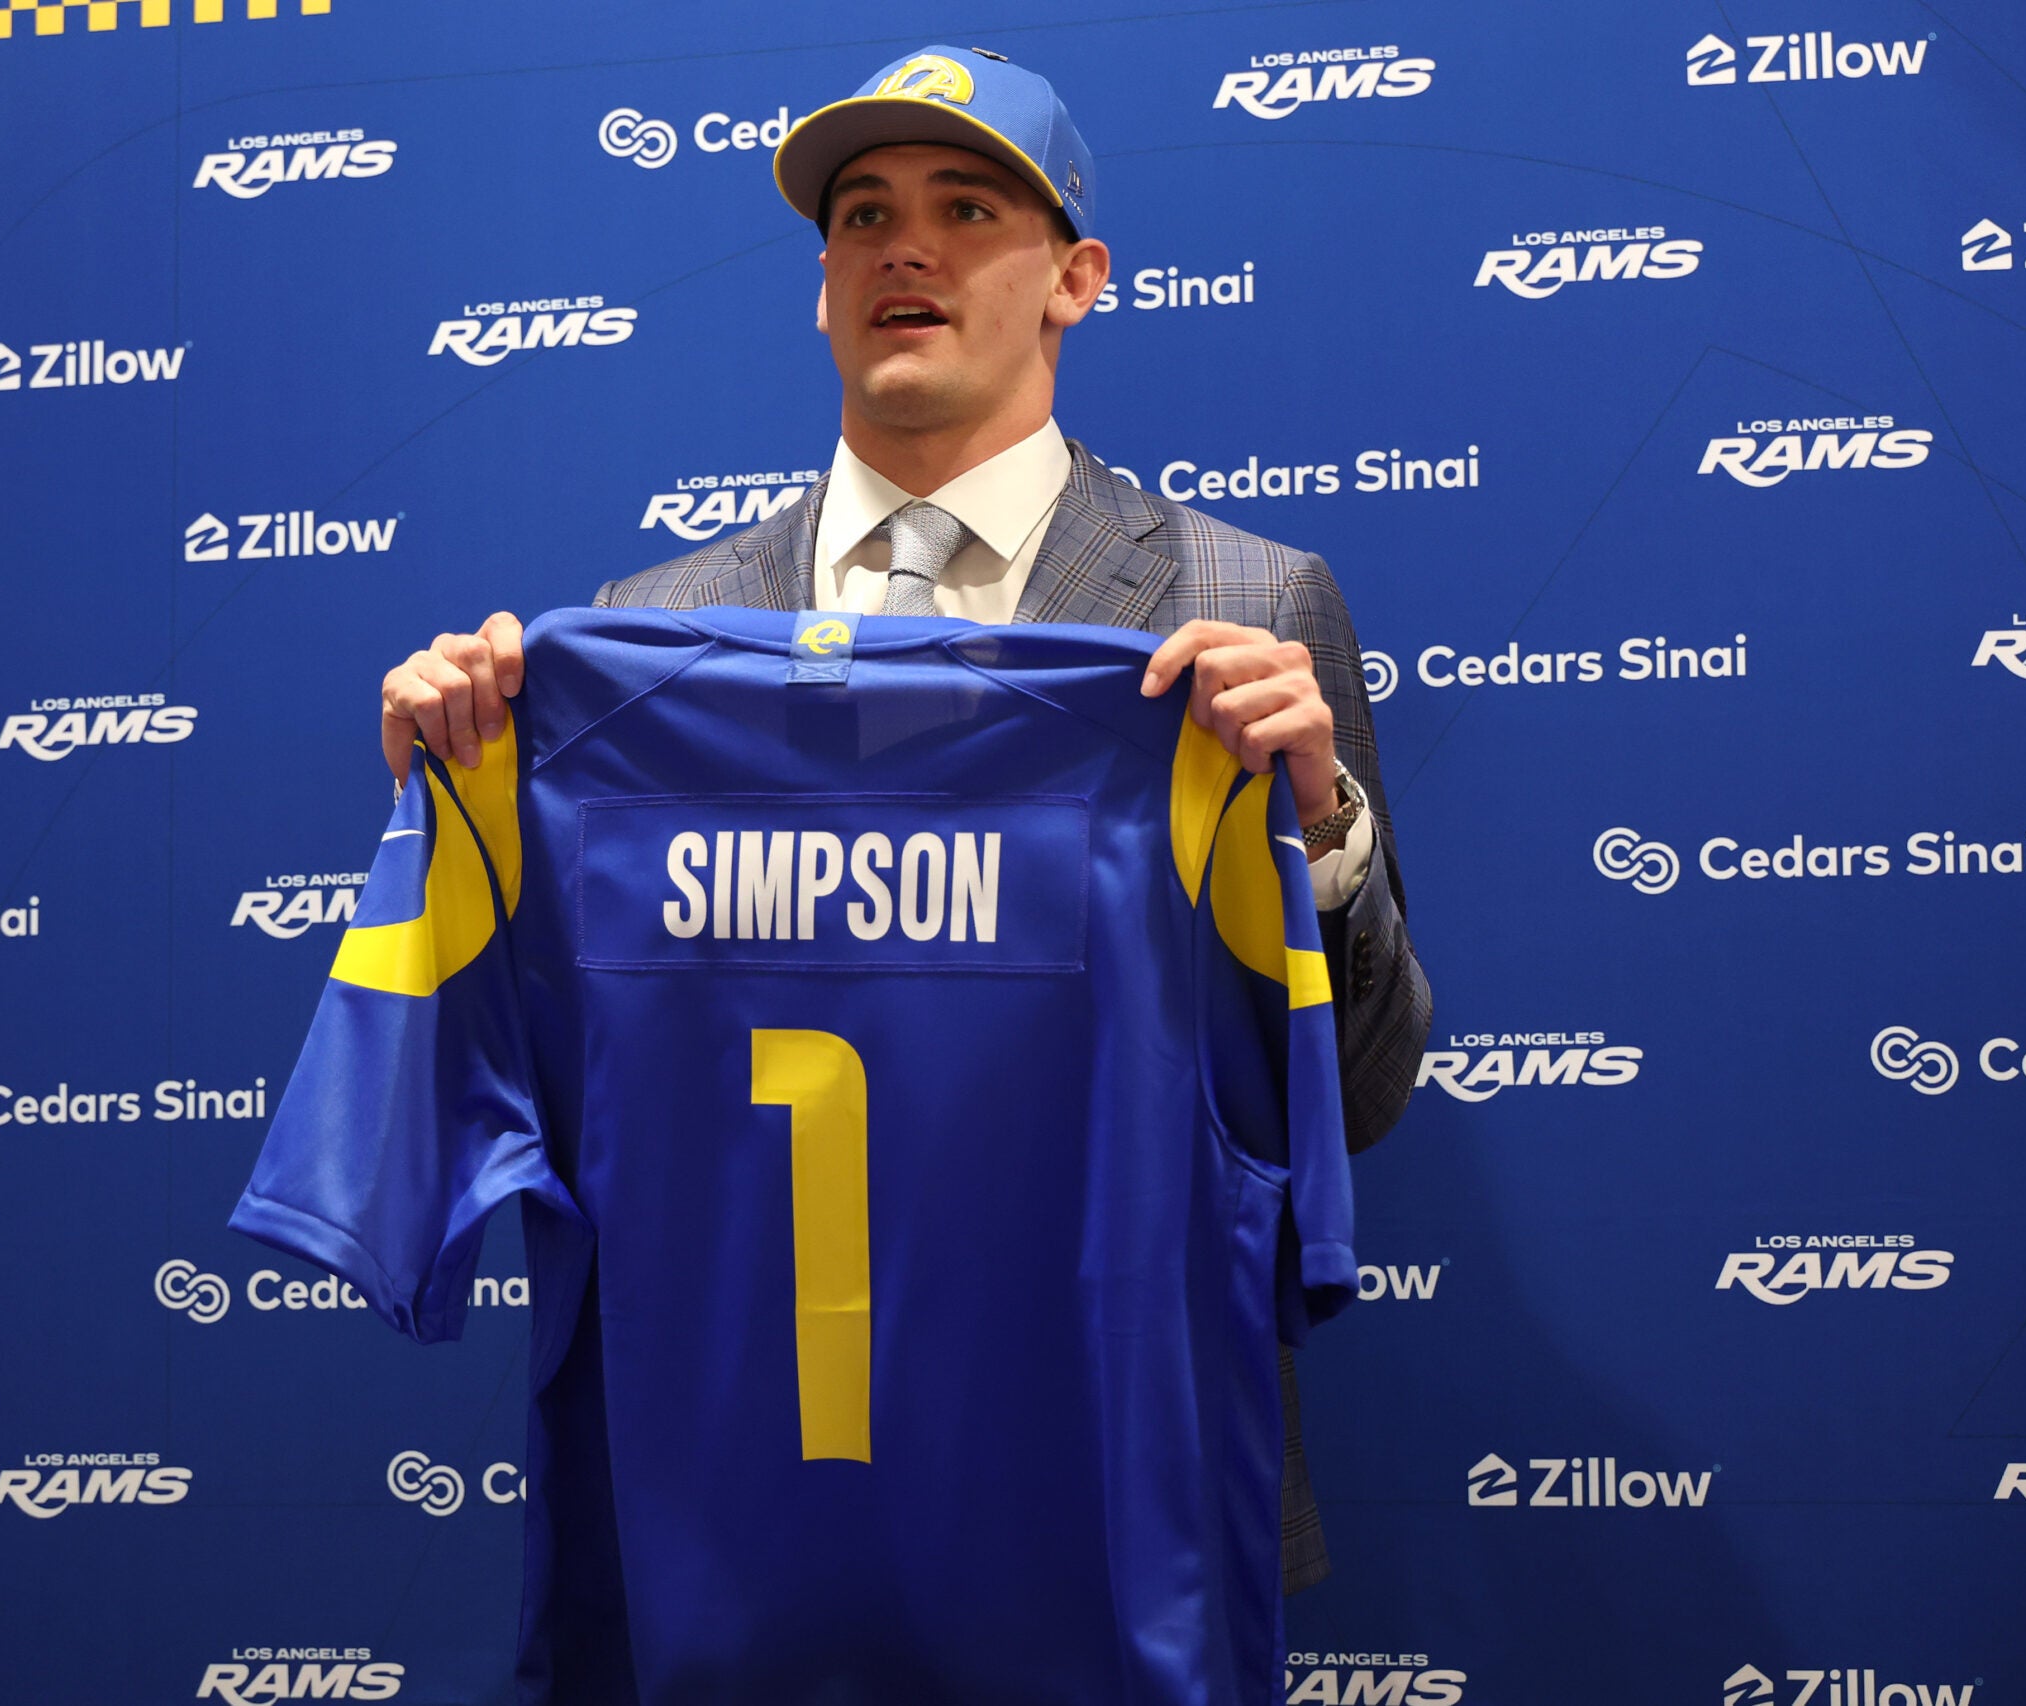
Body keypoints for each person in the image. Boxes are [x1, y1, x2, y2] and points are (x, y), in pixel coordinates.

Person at [374, 44, 1430, 1593]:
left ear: (1077, 277)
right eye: (861, 216)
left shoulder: (1249, 604)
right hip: (751, 1489)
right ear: (821, 290)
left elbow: (1368, 1087)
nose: (905, 246)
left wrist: (1319, 825)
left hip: (1113, 1493)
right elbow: (551, 1072)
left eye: (967, 206)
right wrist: (459, 808)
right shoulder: (645, 632)